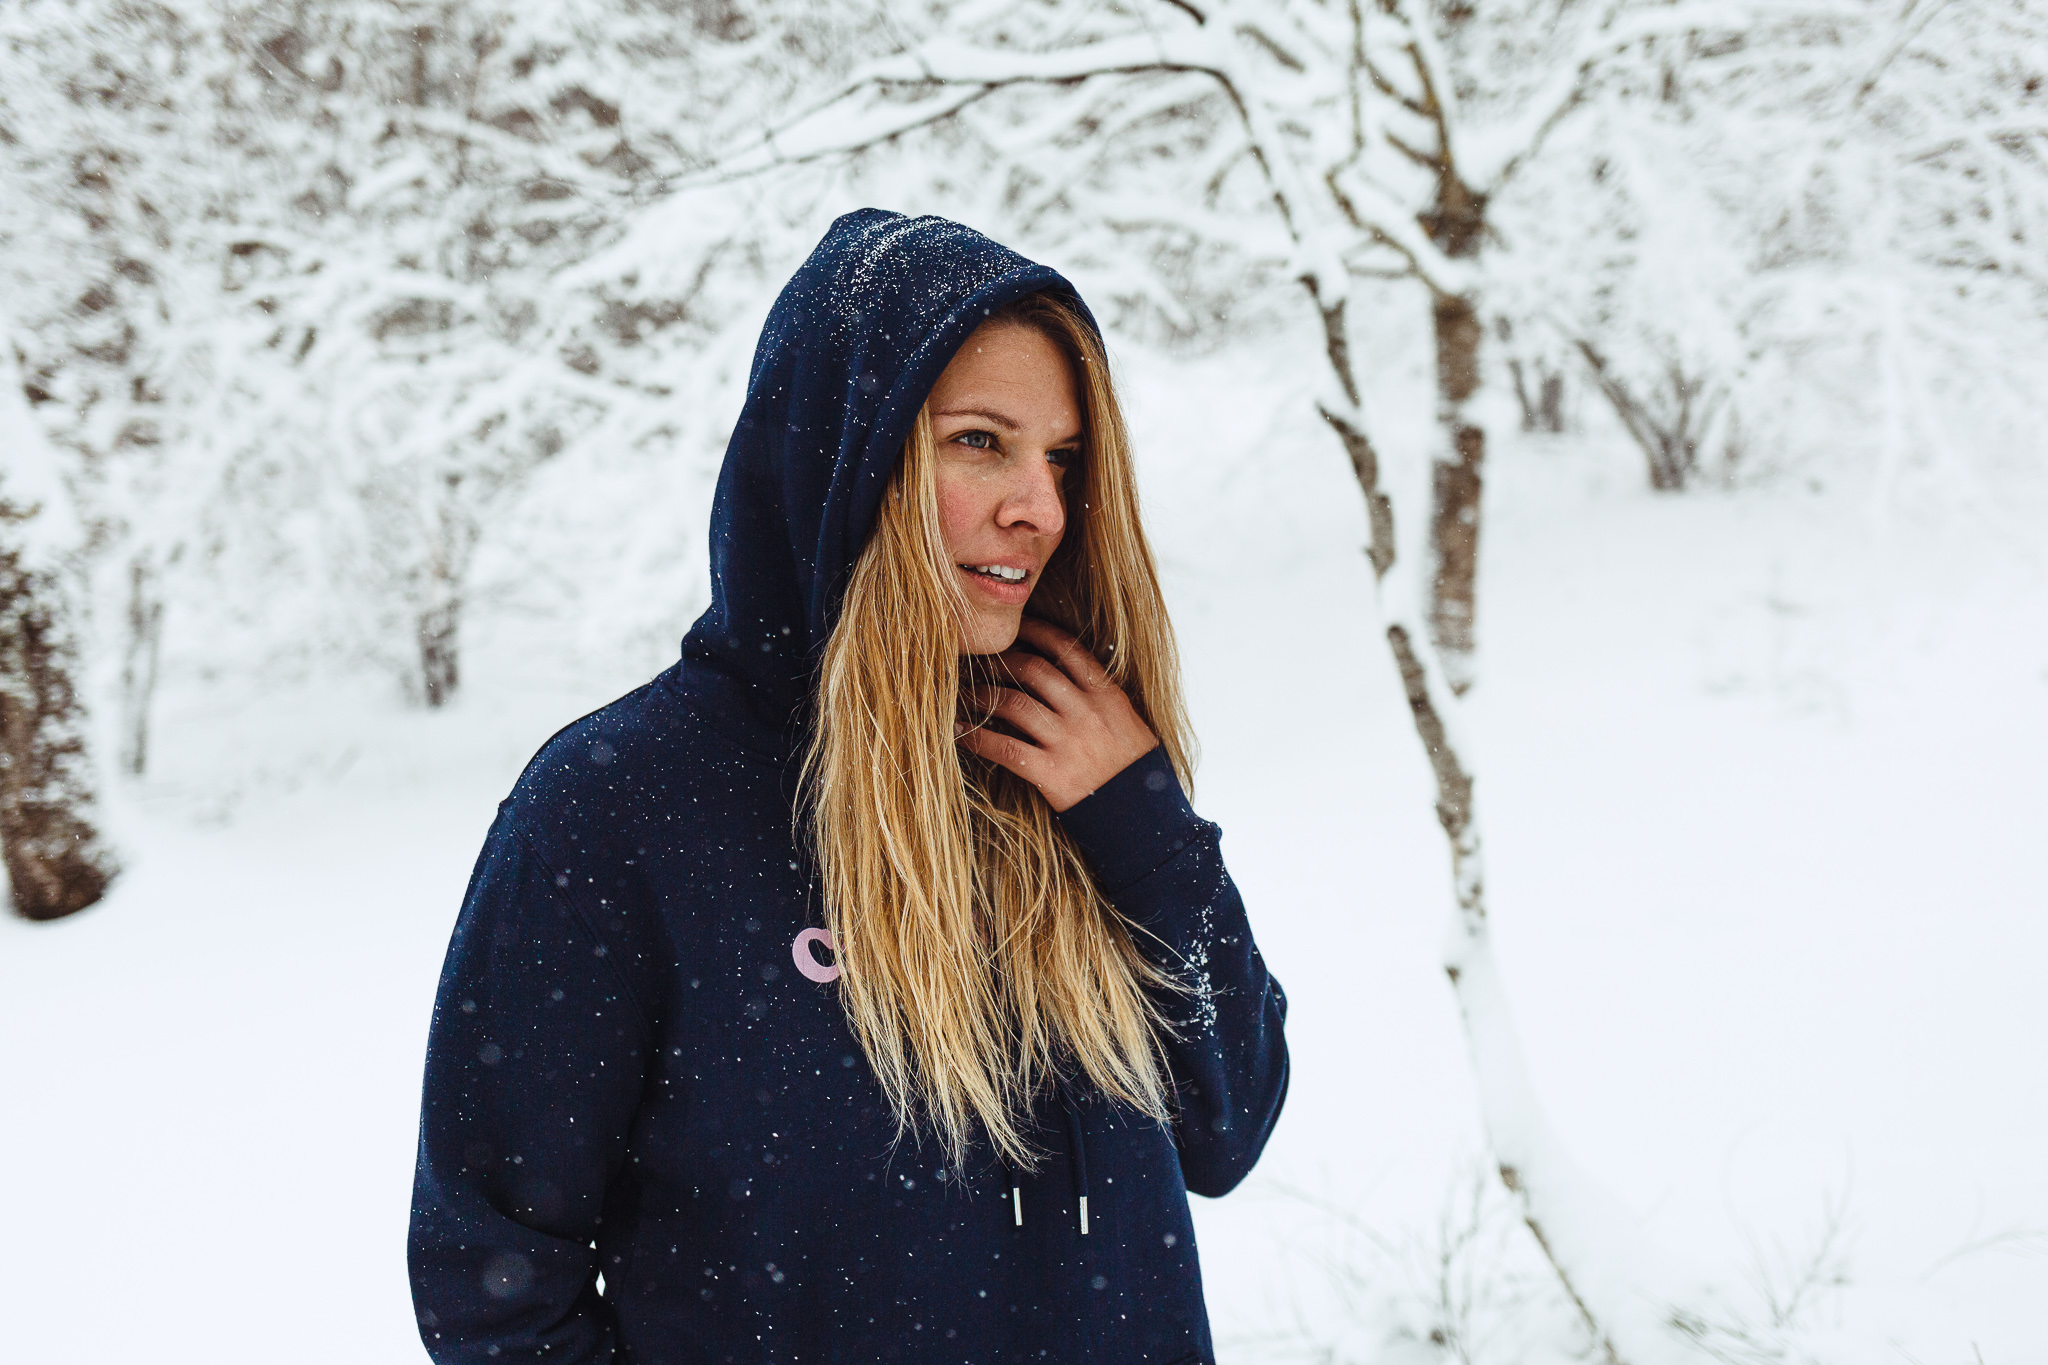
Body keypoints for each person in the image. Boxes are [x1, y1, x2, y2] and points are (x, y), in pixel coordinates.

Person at [407, 209, 1289, 1365]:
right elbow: (493, 1289)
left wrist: (1146, 832)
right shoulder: (618, 809)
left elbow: (1228, 1128)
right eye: (979, 441)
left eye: (1062, 459)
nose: (1038, 505)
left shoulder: (1070, 764)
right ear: (842, 456)